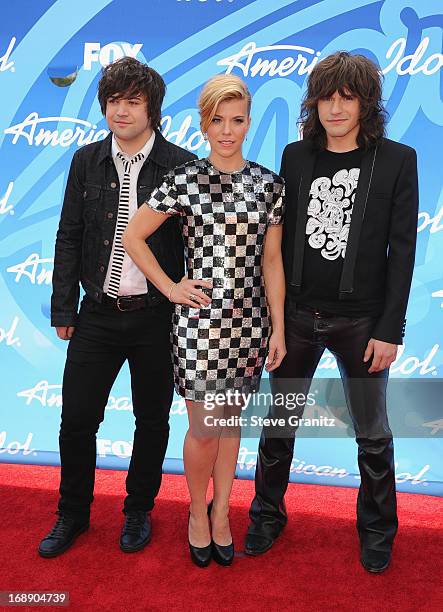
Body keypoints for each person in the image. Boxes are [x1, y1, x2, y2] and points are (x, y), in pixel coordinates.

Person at [245, 51, 419, 573]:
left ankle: (377, 530)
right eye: (327, 96)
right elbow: (274, 243)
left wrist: (391, 329)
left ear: (367, 104)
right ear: (313, 102)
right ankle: (267, 515)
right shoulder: (296, 157)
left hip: (363, 321)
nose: (336, 108)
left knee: (372, 433)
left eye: (348, 97)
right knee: (279, 426)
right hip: (297, 315)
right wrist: (272, 318)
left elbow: (403, 250)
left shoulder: (398, 159)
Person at [123, 74, 286, 567]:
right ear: (203, 124)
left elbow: (272, 262)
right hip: (198, 327)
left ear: (249, 123)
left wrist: (278, 326)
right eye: (218, 120)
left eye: (237, 120)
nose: (228, 130)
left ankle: (222, 515)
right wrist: (171, 287)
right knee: (204, 428)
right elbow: (133, 235)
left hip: (250, 324)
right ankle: (197, 512)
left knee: (230, 423)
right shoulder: (185, 180)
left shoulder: (269, 185)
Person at [38, 57, 196, 558]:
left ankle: (137, 510)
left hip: (157, 317)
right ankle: (72, 514)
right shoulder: (85, 161)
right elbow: (69, 236)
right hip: (97, 314)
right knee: (78, 420)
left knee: (152, 420)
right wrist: (64, 308)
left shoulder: (180, 164)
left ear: (153, 109)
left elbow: (196, 243)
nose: (120, 111)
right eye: (113, 101)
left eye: (132, 101)